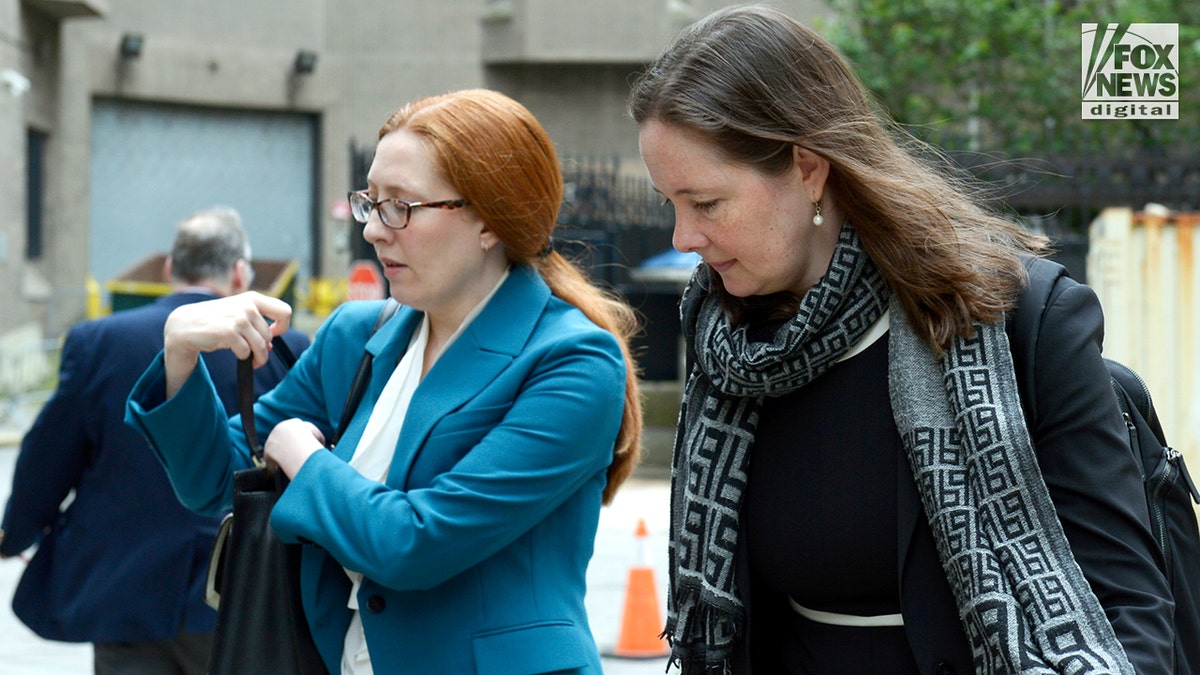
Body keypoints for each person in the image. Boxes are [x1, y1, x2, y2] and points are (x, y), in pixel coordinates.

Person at [629, 5, 1174, 674]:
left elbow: (1131, 610)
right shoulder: (726, 340)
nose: (683, 238)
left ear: (807, 169)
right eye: (669, 204)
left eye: (705, 203)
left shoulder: (1019, 318)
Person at [124, 89, 643, 674]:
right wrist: (180, 353)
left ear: (489, 221)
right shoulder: (356, 336)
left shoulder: (574, 362)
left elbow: (414, 544)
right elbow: (218, 482)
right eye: (371, 202)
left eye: (400, 206)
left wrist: (303, 458)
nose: (373, 229)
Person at [0, 207, 311, 674]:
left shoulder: (99, 340)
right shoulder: (283, 347)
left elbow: (49, 455)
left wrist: (14, 533)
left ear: (170, 269)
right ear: (238, 273)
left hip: (125, 592)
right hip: (239, 592)